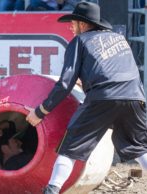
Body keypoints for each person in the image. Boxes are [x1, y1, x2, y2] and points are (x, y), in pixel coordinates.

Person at [25, 2, 147, 194]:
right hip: (135, 96)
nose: (71, 27)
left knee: (69, 148)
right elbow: (120, 72)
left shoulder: (80, 41)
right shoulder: (119, 39)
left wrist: (41, 111)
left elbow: (65, 83)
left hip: (102, 97)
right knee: (140, 147)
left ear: (82, 24)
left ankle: (52, 190)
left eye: (73, 23)